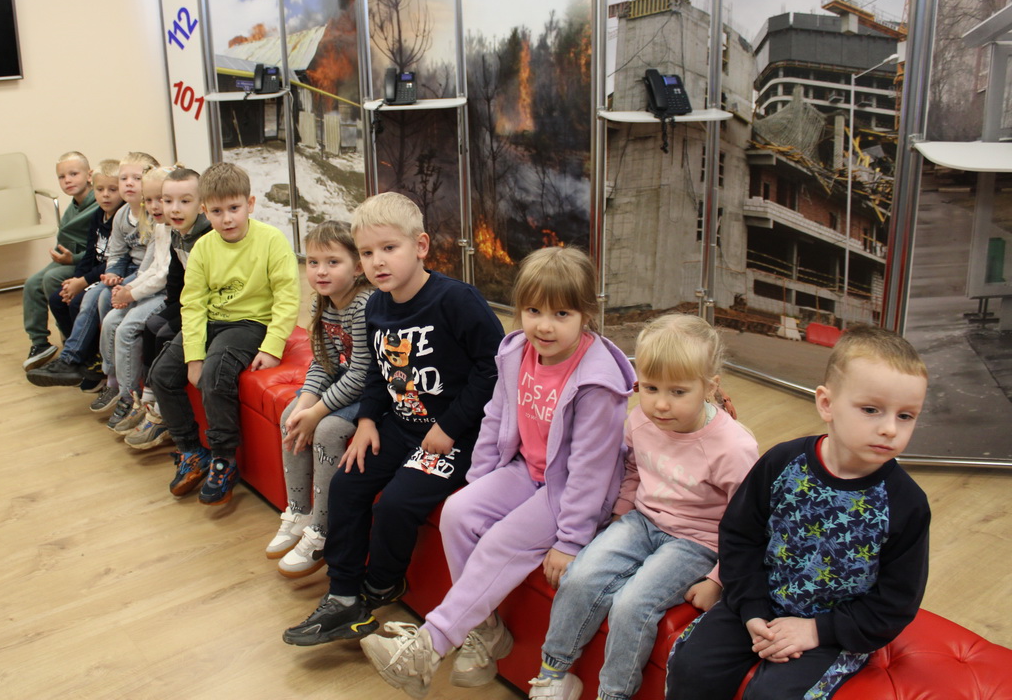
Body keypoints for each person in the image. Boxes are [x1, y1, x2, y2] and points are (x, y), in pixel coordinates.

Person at [358, 247, 635, 700]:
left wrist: (571, 540)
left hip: (569, 490)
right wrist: (480, 482)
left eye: (561, 314)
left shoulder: (597, 381)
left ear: (586, 314)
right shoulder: (516, 352)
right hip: (525, 469)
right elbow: (497, 418)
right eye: (533, 311)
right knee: (458, 512)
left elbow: (591, 469)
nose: (544, 326)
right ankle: (485, 630)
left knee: (501, 540)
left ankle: (430, 646)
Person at [282, 192, 504, 648]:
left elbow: (493, 369)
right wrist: (366, 420)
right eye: (367, 253)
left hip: (454, 437)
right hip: (399, 426)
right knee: (346, 485)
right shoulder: (376, 307)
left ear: (420, 246)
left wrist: (449, 427)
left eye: (389, 248)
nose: (377, 262)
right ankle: (343, 596)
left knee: (395, 505)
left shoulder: (456, 300)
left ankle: (382, 585)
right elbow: (380, 374)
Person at [666, 325, 930, 700]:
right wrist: (752, 609)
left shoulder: (907, 503)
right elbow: (740, 535)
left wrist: (816, 631)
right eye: (871, 410)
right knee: (693, 666)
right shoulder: (782, 462)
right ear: (826, 404)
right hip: (758, 602)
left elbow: (896, 602)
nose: (889, 429)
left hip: (832, 631)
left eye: (905, 416)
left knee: (772, 696)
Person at [528, 313, 759, 700]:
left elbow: (749, 523)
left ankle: (613, 694)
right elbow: (634, 468)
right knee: (581, 576)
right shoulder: (640, 419)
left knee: (632, 604)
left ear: (709, 386)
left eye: (678, 392)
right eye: (650, 388)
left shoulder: (734, 449)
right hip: (642, 520)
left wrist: (718, 580)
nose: (661, 404)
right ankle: (553, 674)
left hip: (696, 541)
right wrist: (619, 515)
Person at [149, 162, 300, 505]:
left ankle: (223, 458)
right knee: (161, 375)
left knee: (216, 374)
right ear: (205, 211)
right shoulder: (203, 247)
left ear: (250, 203)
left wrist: (273, 346)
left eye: (234, 208)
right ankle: (191, 450)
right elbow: (192, 304)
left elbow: (288, 297)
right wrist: (193, 355)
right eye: (217, 212)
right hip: (211, 321)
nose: (227, 219)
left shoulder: (272, 240)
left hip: (250, 323)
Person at [268, 221, 374, 578]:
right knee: (290, 416)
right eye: (313, 262)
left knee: (326, 430)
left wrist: (317, 412)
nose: (320, 271)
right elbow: (323, 362)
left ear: (357, 267)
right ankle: (299, 511)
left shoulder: (363, 305)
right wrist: (304, 406)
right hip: (346, 382)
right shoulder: (322, 302)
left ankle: (323, 528)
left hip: (373, 390)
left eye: (332, 262)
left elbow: (361, 375)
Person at [27, 152, 157, 388]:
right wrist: (102, 274)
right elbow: (112, 254)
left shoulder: (154, 217)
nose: (127, 184)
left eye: (135, 178)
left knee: (95, 298)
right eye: (124, 179)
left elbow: (149, 264)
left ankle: (96, 367)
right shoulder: (118, 215)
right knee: (62, 297)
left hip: (139, 273)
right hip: (120, 270)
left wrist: (94, 281)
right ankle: (77, 359)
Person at [121, 167, 211, 450]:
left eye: (184, 201)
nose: (174, 209)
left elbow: (207, 292)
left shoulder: (206, 237)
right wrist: (170, 309)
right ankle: (149, 401)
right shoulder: (177, 232)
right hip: (188, 304)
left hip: (209, 310)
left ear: (201, 204)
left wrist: (177, 315)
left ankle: (161, 414)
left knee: (163, 333)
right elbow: (176, 278)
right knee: (153, 324)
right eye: (167, 201)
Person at [90, 164, 174, 429]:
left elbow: (163, 276)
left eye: (161, 199)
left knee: (126, 329)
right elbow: (150, 268)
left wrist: (131, 293)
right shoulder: (159, 228)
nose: (155, 206)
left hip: (165, 295)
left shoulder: (176, 229)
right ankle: (114, 383)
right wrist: (128, 290)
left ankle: (130, 398)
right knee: (112, 319)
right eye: (149, 200)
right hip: (150, 288)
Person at [22, 151, 99, 370]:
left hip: (84, 262)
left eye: (74, 174)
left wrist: (72, 258)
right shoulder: (74, 205)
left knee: (52, 278)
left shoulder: (98, 203)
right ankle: (40, 343)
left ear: (89, 175)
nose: (67, 180)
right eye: (62, 177)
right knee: (32, 284)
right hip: (67, 259)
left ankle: (69, 338)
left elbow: (98, 248)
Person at [44, 159, 122, 347]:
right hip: (92, 274)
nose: (105, 195)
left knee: (76, 303)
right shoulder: (97, 215)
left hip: (109, 275)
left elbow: (114, 262)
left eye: (112, 189)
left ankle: (88, 354)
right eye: (100, 189)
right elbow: (90, 254)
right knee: (57, 300)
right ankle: (74, 349)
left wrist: (82, 282)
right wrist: (75, 280)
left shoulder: (121, 217)